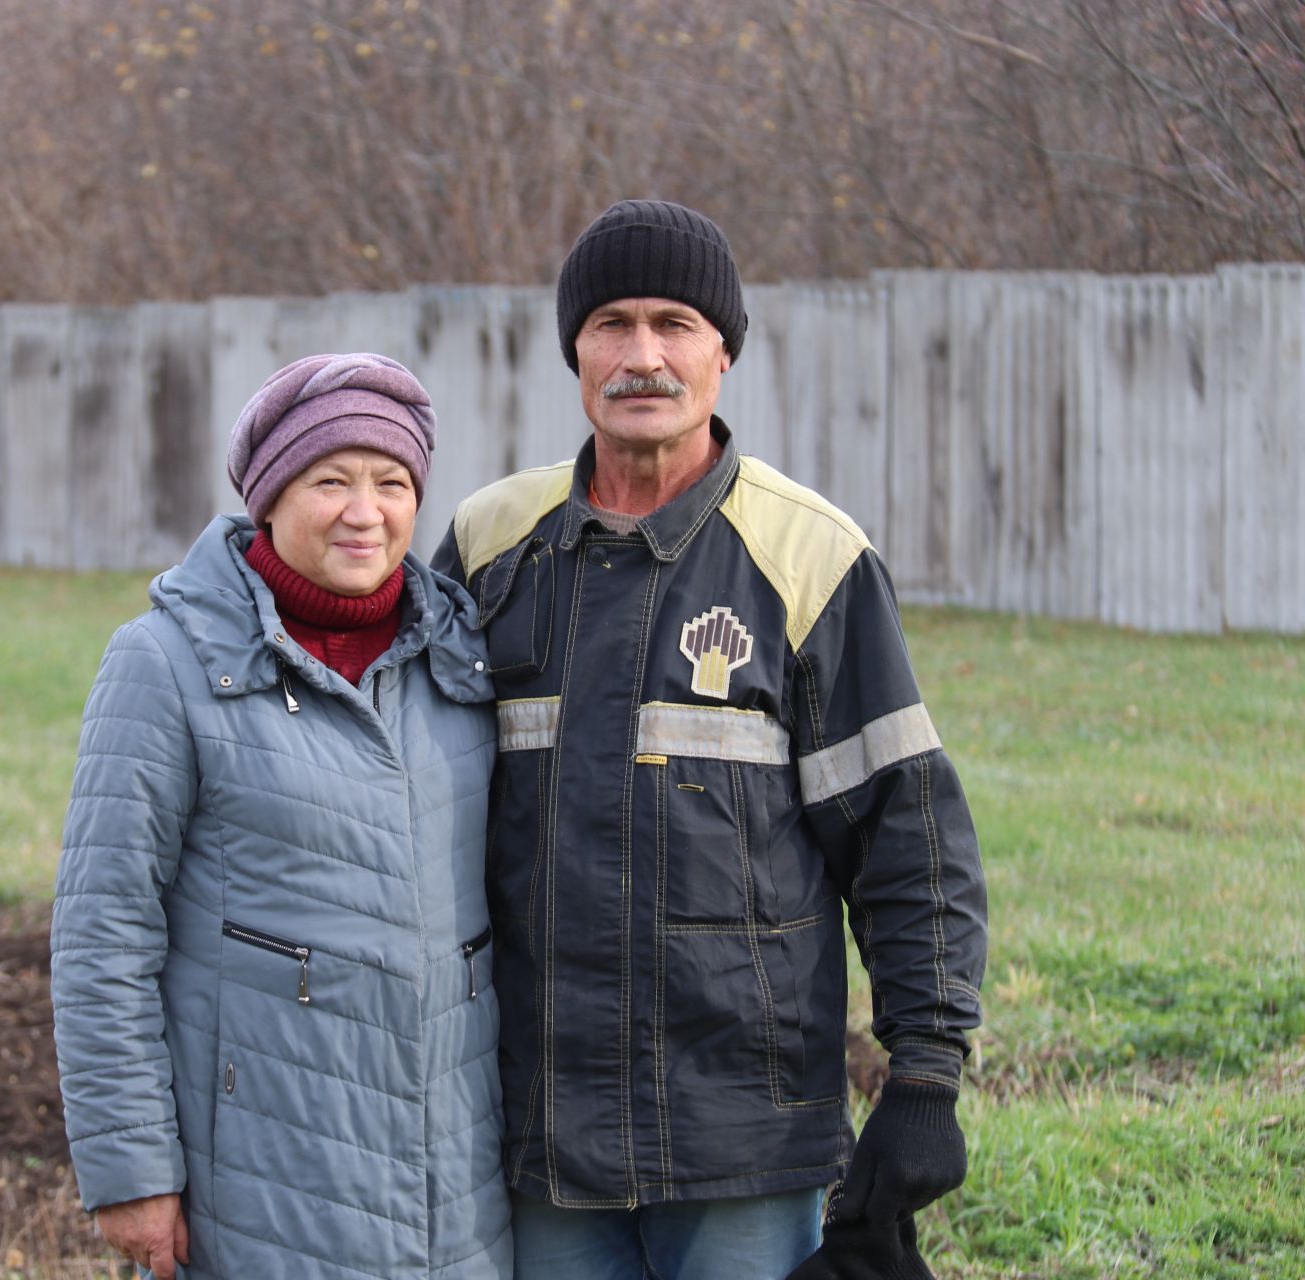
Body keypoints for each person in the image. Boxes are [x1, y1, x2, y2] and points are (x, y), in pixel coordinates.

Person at [432, 199, 989, 1280]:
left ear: (724, 350)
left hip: (742, 1142)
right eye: (613, 324)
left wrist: (925, 1071)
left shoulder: (810, 557)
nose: (643, 355)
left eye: (675, 323)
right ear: (574, 350)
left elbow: (906, 832)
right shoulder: (488, 546)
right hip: (535, 1136)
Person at [49, 353, 512, 1280]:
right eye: (329, 480)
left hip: (458, 1189)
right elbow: (103, 932)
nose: (364, 511)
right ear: (269, 498)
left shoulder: (462, 659)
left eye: (391, 482)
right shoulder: (167, 664)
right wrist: (131, 1171)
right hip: (264, 1186)